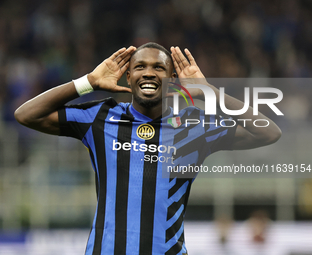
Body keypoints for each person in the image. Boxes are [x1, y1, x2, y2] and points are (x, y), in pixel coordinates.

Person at [14, 42, 281, 255]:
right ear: (128, 77)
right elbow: (27, 115)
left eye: (159, 68)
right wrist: (88, 83)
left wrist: (207, 91)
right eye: (140, 66)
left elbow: (268, 132)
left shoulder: (193, 125)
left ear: (172, 79)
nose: (149, 72)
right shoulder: (101, 116)